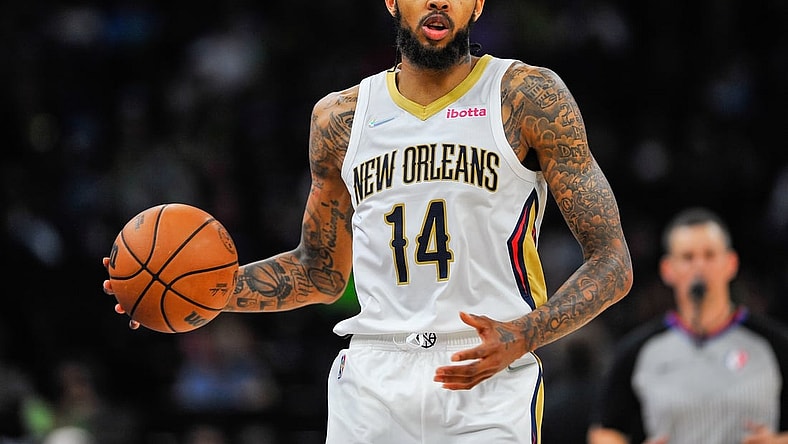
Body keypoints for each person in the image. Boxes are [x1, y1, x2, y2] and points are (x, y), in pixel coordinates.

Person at [103, 0, 633, 442]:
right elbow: (320, 273)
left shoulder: (526, 96)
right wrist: (198, 288)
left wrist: (527, 334)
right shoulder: (340, 118)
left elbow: (613, 262)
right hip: (375, 375)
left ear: (478, 4)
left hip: (486, 371)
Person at [588, 207, 788, 444]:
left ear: (731, 263)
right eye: (688, 257)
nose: (699, 267)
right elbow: (604, 431)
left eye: (710, 255)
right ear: (668, 269)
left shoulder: (775, 344)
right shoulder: (637, 351)